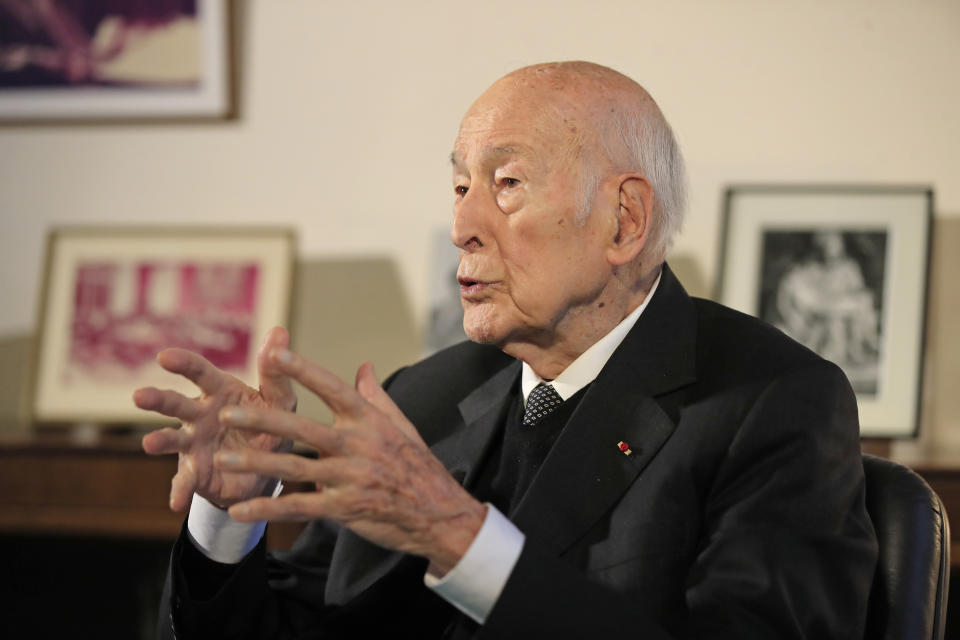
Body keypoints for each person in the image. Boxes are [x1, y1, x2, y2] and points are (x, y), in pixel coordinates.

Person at [137, 61, 877, 639]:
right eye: (459, 185)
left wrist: (456, 537)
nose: (462, 224)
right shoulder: (422, 397)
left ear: (624, 221)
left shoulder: (774, 405)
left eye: (506, 183)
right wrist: (228, 522)